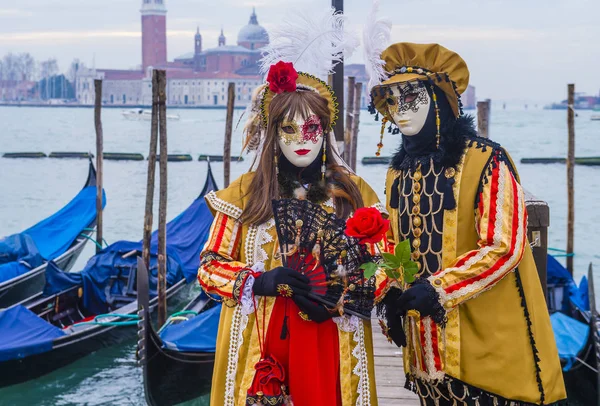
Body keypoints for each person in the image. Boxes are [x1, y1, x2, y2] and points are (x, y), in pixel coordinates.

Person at [367, 43, 566, 405]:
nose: (400, 110)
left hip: (487, 342)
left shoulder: (486, 159)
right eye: (392, 100)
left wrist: (438, 290)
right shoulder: (398, 171)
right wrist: (389, 293)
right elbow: (391, 244)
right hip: (424, 351)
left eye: (410, 96)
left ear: (438, 99)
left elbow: (504, 245)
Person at [198, 61, 387, 406]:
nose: (302, 139)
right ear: (273, 133)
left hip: (331, 340)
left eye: (311, 128)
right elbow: (209, 267)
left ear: (325, 131)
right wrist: (257, 281)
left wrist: (339, 300)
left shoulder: (355, 193)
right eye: (289, 128)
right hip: (264, 345)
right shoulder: (244, 194)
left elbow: (383, 265)